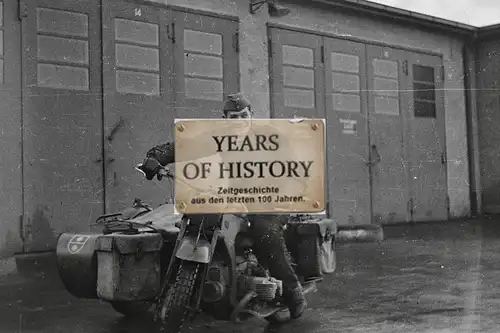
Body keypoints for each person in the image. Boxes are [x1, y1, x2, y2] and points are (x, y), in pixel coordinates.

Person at [144, 93, 307, 319]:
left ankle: (292, 290)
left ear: (252, 115)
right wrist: (154, 158)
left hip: (272, 198)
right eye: (234, 116)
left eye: (244, 115)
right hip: (236, 197)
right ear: (225, 119)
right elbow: (184, 145)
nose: (239, 120)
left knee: (264, 231)